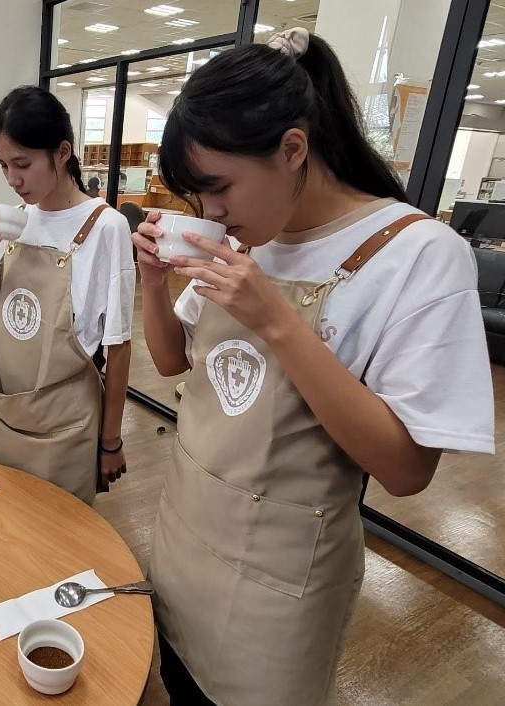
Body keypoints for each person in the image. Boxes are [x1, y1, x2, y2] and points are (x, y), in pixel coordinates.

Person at [132, 29, 495, 705]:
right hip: (183, 536)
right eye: (194, 196)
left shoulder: (418, 253)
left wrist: (277, 322)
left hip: (280, 584)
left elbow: (407, 470)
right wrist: (152, 284)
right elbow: (171, 359)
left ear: (293, 149)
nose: (209, 214)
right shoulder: (247, 233)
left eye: (218, 189)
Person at [0, 85, 134, 505]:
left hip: (64, 425)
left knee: (59, 541)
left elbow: (118, 345)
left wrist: (110, 441)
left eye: (22, 163)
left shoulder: (106, 226)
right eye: (3, 165)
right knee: (2, 529)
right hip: (2, 413)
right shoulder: (16, 221)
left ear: (63, 152)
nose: (12, 179)